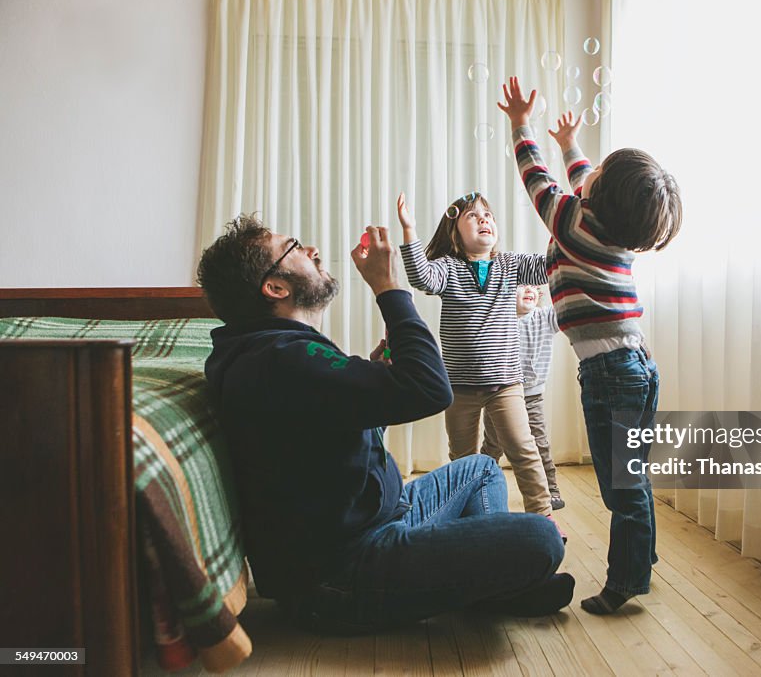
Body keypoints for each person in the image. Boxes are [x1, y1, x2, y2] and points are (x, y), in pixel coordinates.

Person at [196, 214, 573, 633]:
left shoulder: (270, 354)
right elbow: (433, 388)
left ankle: (486, 580)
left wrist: (373, 374)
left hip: (383, 519)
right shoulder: (284, 359)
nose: (313, 251)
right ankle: (487, 582)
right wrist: (388, 286)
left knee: (482, 470)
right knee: (541, 538)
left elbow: (331, 428)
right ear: (276, 287)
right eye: (296, 247)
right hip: (347, 571)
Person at [497, 76, 683, 615]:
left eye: (596, 174)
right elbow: (583, 179)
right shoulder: (608, 227)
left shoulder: (574, 224)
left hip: (612, 373)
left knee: (620, 487)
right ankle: (639, 557)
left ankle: (625, 582)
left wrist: (521, 125)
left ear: (598, 198)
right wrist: (571, 145)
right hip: (632, 366)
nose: (587, 173)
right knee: (632, 476)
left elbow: (538, 183)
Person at [396, 192, 557, 521]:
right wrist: (409, 230)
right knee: (463, 460)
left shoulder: (510, 264)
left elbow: (547, 268)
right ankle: (467, 522)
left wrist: (562, 227)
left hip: (506, 384)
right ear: (455, 233)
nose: (485, 219)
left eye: (489, 215)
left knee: (524, 451)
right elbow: (421, 277)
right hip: (459, 388)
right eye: (473, 215)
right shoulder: (448, 268)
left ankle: (544, 519)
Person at [481, 285, 565, 510]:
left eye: (533, 287)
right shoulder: (499, 318)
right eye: (521, 286)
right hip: (500, 395)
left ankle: (551, 489)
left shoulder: (545, 317)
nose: (529, 290)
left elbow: (565, 306)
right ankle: (478, 487)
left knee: (539, 442)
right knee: (493, 444)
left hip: (532, 395)